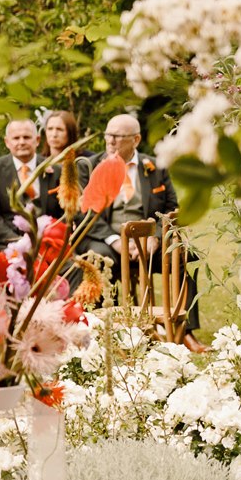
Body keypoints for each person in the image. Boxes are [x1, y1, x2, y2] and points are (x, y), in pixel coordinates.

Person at [78, 113, 199, 343]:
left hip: (147, 240)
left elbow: (171, 207)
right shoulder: (91, 166)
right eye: (108, 135)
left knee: (186, 256)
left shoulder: (155, 167)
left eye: (118, 136)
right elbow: (85, 211)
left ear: (136, 139)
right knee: (100, 259)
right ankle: (111, 335)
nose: (110, 141)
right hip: (107, 238)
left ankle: (185, 330)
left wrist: (153, 237)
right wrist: (114, 240)